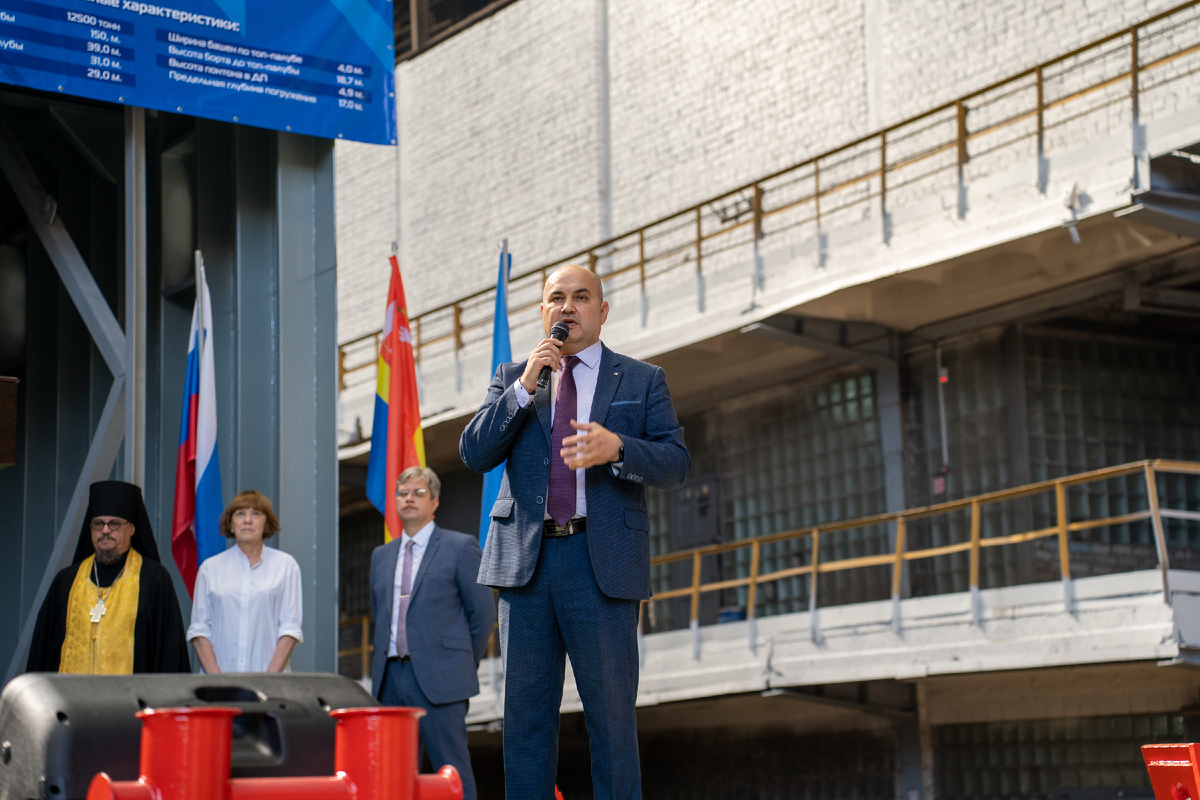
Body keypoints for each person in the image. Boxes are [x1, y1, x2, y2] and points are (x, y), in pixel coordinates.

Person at [460, 264, 691, 800]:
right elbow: (474, 453)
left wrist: (619, 448)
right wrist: (523, 388)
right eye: (556, 298)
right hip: (527, 567)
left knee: (611, 719)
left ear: (602, 311)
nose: (567, 307)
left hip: (600, 562)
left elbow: (676, 464)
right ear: (543, 312)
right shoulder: (513, 377)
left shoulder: (641, 380)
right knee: (525, 720)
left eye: (581, 297)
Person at [369, 466, 495, 800]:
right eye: (403, 493)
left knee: (451, 773)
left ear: (435, 502)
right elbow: (379, 615)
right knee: (392, 777)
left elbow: (482, 614)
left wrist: (458, 663)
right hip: (389, 682)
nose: (409, 499)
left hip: (442, 681)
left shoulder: (460, 547)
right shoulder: (380, 557)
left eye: (418, 493)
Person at [27, 480, 190, 674]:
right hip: (72, 694)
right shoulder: (66, 581)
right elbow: (42, 653)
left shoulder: (154, 579)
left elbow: (169, 654)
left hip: (131, 694)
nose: (105, 530)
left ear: (132, 528)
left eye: (114, 524)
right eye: (98, 524)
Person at [187, 491, 303, 673]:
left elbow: (290, 630)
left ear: (266, 523)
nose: (247, 520)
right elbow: (199, 630)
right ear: (231, 524)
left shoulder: (286, 566)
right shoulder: (210, 569)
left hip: (271, 685)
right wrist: (219, 683)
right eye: (240, 514)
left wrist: (266, 682)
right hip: (218, 683)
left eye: (256, 514)